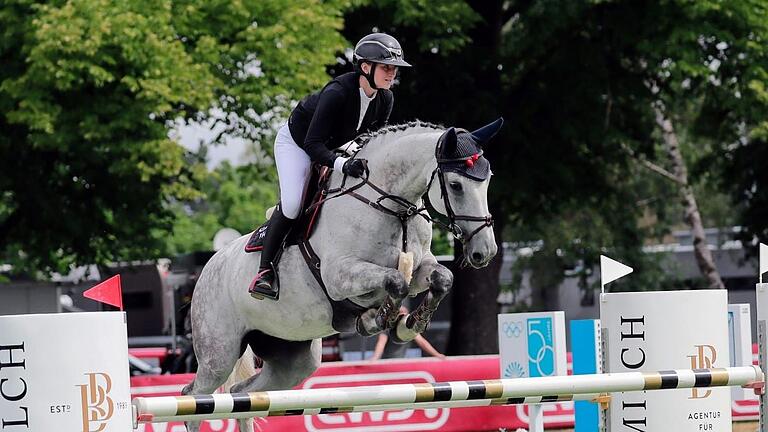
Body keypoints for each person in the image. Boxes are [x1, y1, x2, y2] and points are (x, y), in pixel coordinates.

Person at [249, 33, 412, 300]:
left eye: (394, 69)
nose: (391, 74)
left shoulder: (385, 99)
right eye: (386, 67)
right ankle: (264, 271)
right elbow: (313, 144)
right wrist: (342, 164)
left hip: (339, 145)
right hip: (298, 144)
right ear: (365, 67)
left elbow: (372, 139)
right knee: (292, 205)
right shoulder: (337, 93)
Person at [369, 306, 447, 360]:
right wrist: (374, 359)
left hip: (401, 362)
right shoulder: (388, 327)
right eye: (400, 315)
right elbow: (381, 344)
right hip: (387, 362)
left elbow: (422, 343)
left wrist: (437, 355)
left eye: (405, 316)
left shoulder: (409, 329)